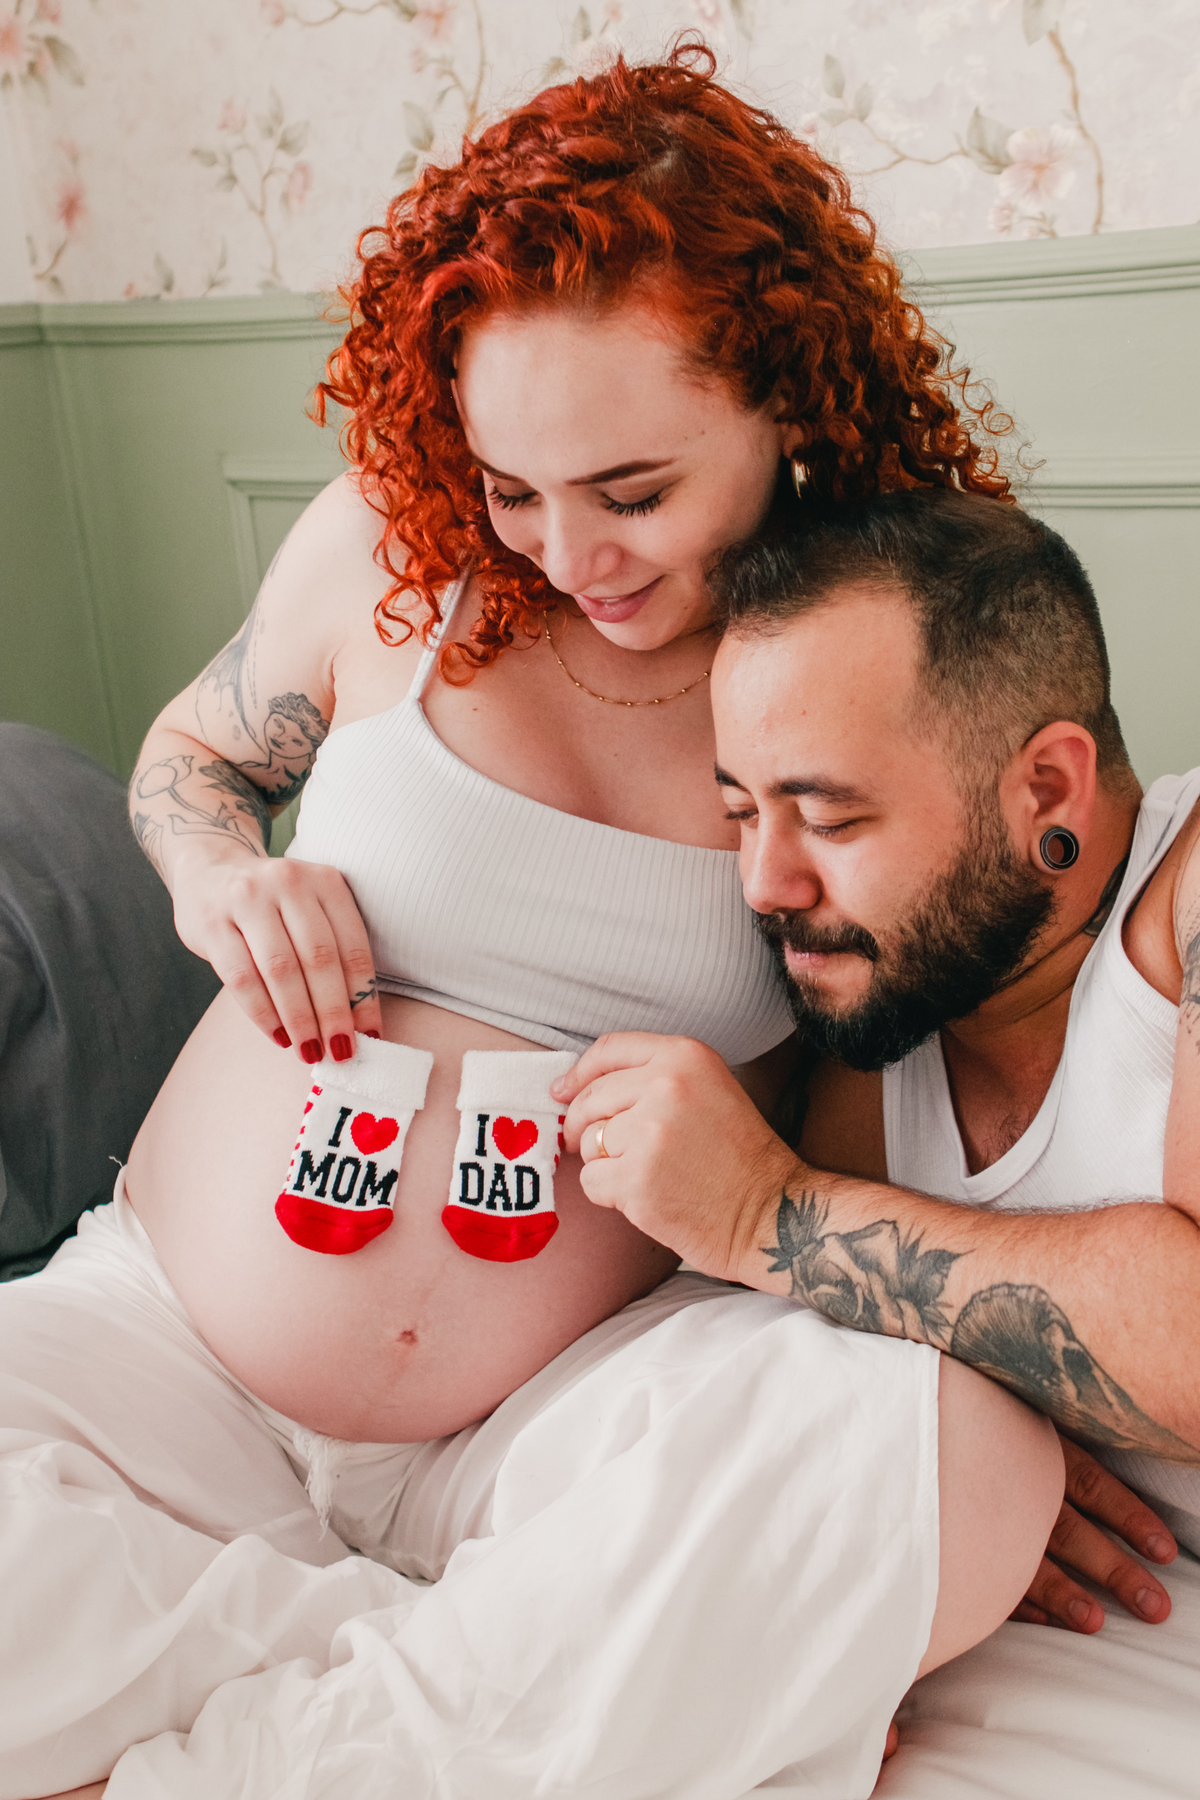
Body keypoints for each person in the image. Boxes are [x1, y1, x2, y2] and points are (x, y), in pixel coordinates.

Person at [3, 53, 1074, 1799]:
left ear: (787, 400)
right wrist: (219, 878)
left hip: (558, 1413)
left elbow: (939, 1061)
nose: (568, 553)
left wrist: (918, 1426)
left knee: (965, 1458)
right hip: (174, 1352)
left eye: (632, 491)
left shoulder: (872, 655)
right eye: (514, 486)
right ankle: (455, 1679)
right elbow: (195, 760)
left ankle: (264, 1723)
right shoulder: (390, 556)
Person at [556, 486, 1200, 1794]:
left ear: (1048, 788)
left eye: (831, 818)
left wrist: (767, 1217)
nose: (766, 884)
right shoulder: (881, 1022)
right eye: (743, 812)